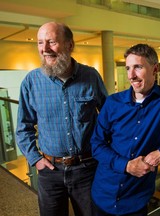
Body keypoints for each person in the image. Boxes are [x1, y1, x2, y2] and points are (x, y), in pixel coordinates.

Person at [16, 22, 108, 216]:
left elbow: (108, 120)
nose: (44, 49)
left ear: (70, 45)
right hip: (49, 172)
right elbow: (23, 128)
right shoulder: (31, 82)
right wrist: (36, 159)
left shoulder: (90, 76)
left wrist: (105, 155)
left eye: (51, 42)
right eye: (40, 42)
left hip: (87, 170)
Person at [90, 43, 160, 215]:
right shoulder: (113, 103)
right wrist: (126, 165)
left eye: (138, 67)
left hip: (135, 201)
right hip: (102, 195)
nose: (131, 75)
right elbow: (96, 145)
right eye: (128, 68)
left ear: (154, 69)